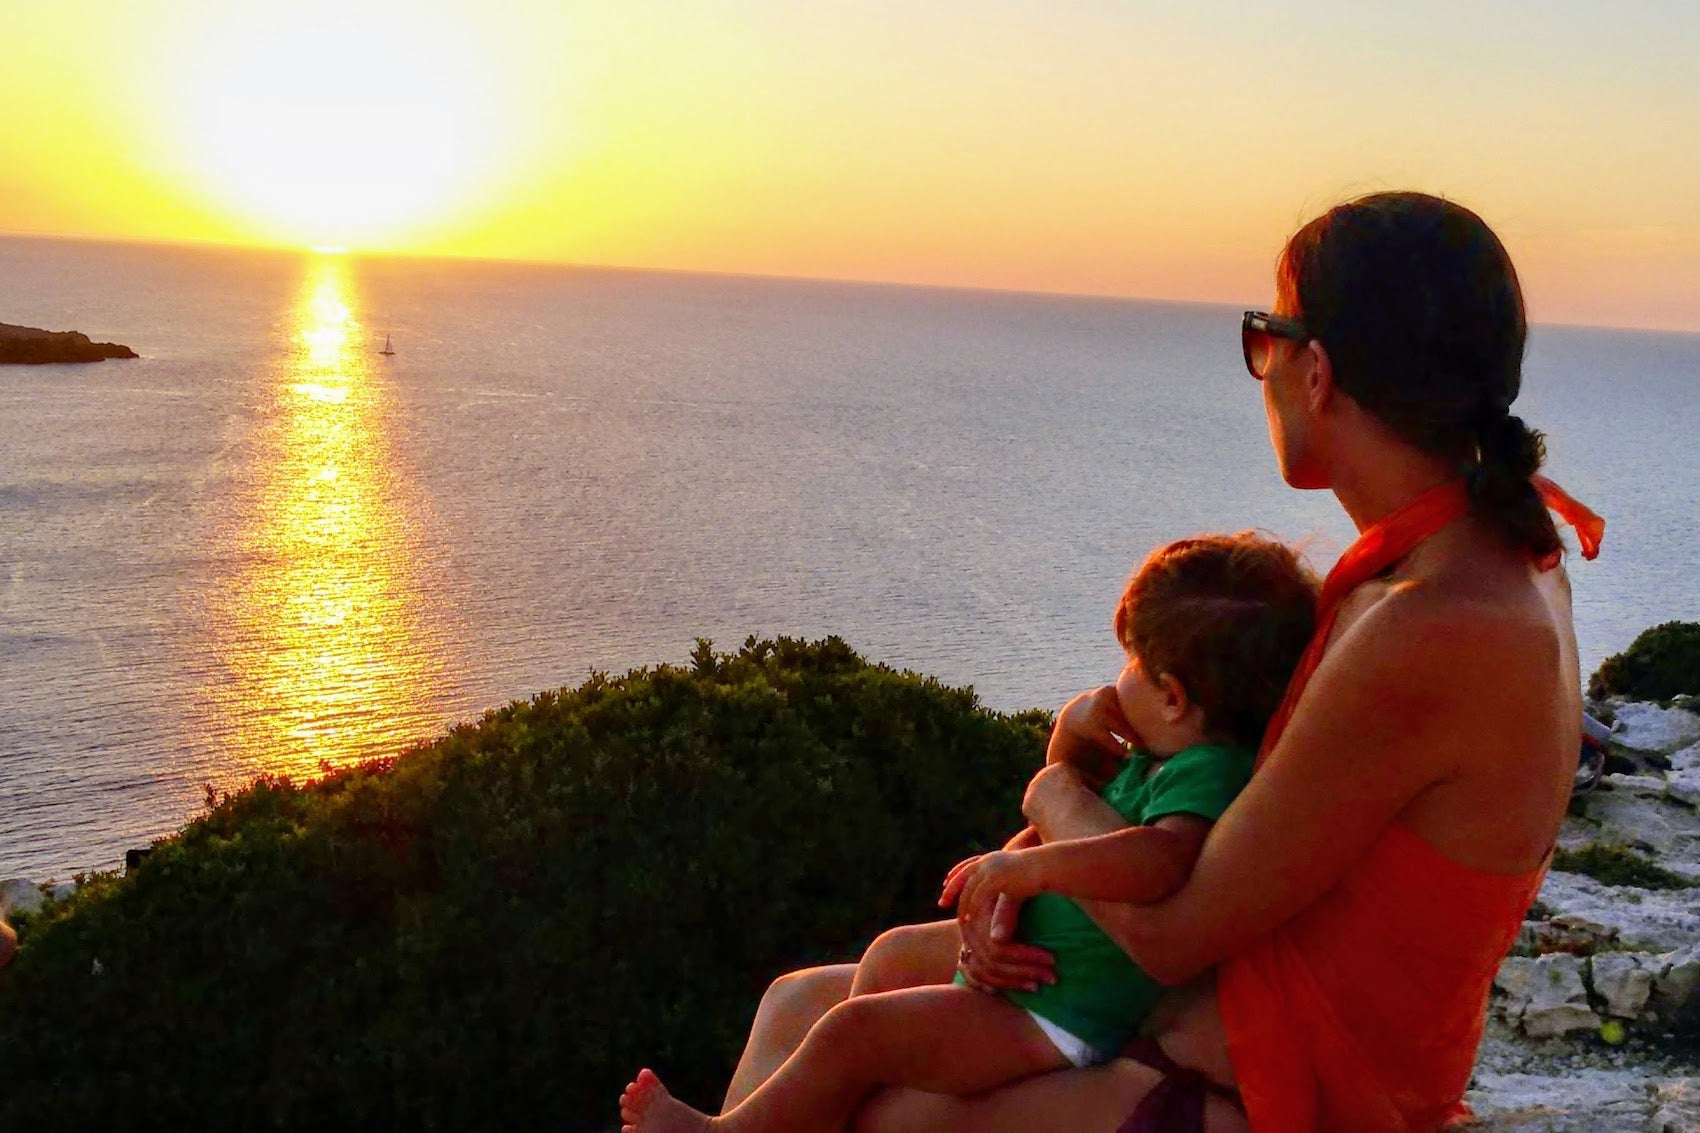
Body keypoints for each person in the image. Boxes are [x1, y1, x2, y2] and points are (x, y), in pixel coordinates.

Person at [713, 191, 1605, 1133]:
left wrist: (1055, 791)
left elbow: (1176, 935)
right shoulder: (1491, 558)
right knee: (800, 1007)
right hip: (1213, 1025)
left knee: (881, 1110)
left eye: (1267, 333)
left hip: (1267, 1087)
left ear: (1317, 371)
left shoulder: (1432, 623)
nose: (1259, 365)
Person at [619, 533, 1318, 1133]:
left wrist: (1027, 873)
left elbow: (1161, 863)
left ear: (1173, 695)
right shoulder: (1167, 752)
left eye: (1132, 663)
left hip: (1049, 1018)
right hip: (1038, 976)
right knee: (888, 958)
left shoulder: (1203, 776)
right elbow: (1075, 804)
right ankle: (817, 1105)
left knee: (850, 1033)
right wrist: (1059, 762)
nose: (1118, 678)